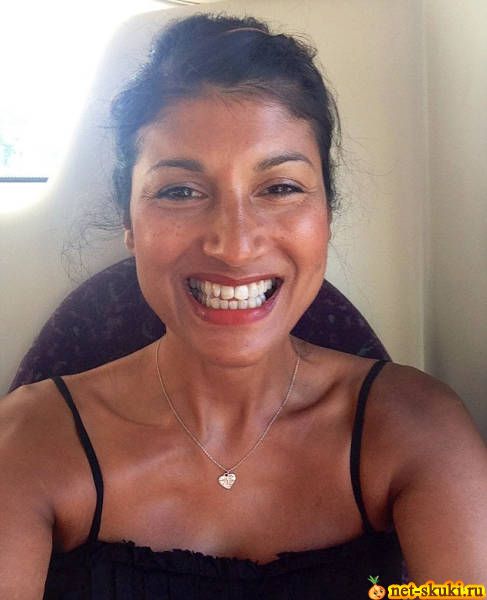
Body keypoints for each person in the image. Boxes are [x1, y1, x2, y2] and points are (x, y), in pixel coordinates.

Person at [1, 13, 486, 600]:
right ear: (129, 222)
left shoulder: (420, 433)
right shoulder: (30, 443)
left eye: (280, 188)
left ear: (326, 215)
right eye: (181, 191)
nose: (234, 247)